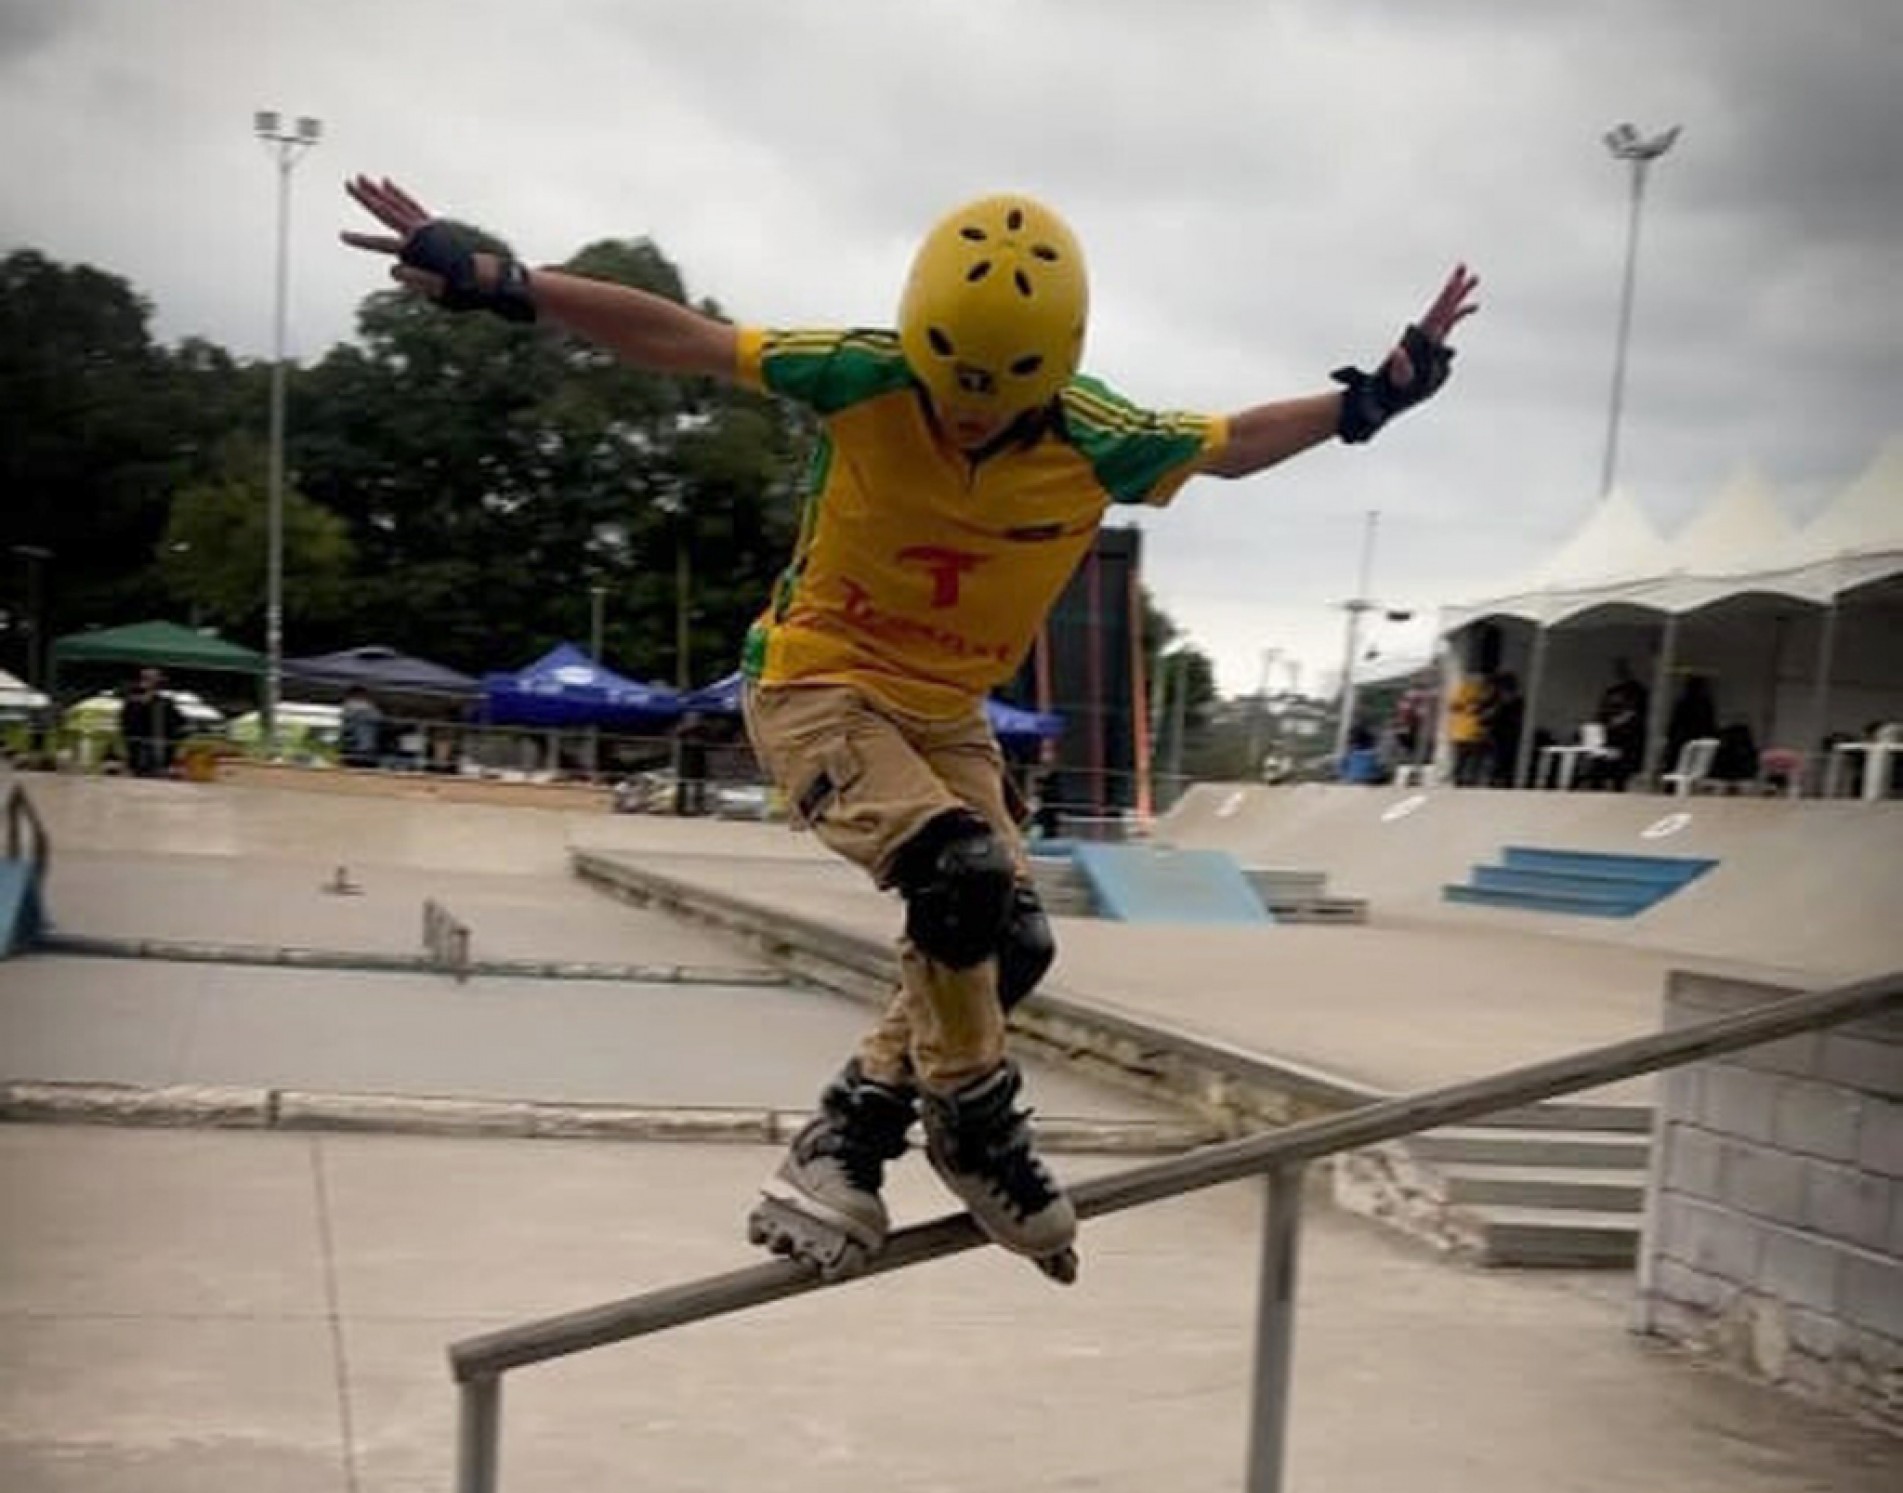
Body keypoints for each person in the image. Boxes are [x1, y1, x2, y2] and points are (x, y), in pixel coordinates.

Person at [343, 175, 1477, 1281]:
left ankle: (850, 1136)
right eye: (953, 383)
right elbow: (684, 338)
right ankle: (975, 1124)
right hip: (814, 686)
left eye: (996, 391)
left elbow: (1231, 440)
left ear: (1057, 370)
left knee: (1012, 943)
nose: (970, 408)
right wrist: (506, 281)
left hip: (947, 720)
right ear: (917, 341)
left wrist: (1364, 400)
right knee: (960, 876)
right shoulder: (860, 374)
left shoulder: (1099, 434)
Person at [1592, 658, 1649, 791]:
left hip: (1627, 737)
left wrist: (1617, 721)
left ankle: (1617, 786)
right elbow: (1602, 712)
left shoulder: (1637, 691)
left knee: (1620, 767)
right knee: (1602, 762)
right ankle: (1600, 785)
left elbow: (1635, 712)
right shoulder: (1612, 691)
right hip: (1610, 736)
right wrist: (1601, 724)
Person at [120, 666, 181, 777]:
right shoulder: (131, 699)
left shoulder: (165, 702)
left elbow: (176, 722)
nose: (151, 681)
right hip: (138, 746)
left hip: (158, 747)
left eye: (154, 678)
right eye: (147, 678)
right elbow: (127, 722)